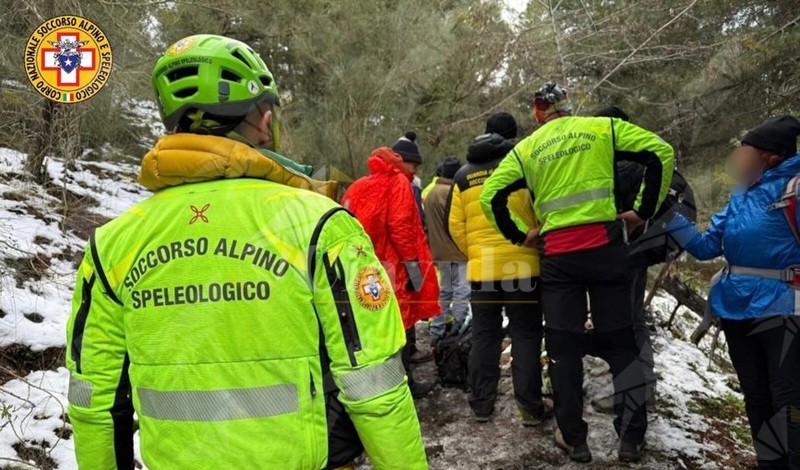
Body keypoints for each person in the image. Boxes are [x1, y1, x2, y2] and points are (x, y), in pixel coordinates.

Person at [65, 34, 427, 470]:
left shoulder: (113, 243)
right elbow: (375, 384)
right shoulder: (319, 225)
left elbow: (94, 399)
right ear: (263, 119)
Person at [481, 83, 674, 463]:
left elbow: (491, 196)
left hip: (558, 258)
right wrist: (642, 211)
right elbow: (660, 152)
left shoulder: (526, 148)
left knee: (564, 351)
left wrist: (522, 236)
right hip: (605, 247)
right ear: (567, 105)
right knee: (622, 345)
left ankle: (574, 439)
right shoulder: (602, 128)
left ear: (537, 112)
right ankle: (631, 439)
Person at [667, 116, 800, 468]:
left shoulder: (795, 188)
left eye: (746, 150)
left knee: (788, 399)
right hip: (736, 307)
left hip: (785, 306)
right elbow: (706, 246)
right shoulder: (742, 193)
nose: (738, 158)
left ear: (770, 155)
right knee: (756, 396)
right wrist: (668, 215)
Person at [449, 112, 551, 424]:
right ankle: (530, 409)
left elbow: (456, 226)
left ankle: (481, 404)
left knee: (484, 335)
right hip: (523, 266)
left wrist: (477, 253)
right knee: (525, 335)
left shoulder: (463, 176)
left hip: (483, 271)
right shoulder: (521, 167)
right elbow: (541, 210)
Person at [342, 145, 441, 398]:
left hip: (365, 266)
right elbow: (400, 227)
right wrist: (412, 270)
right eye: (414, 166)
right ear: (403, 163)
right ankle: (403, 384)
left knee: (376, 323)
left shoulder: (360, 185)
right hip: (395, 266)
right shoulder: (398, 182)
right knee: (403, 322)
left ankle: (378, 383)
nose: (415, 172)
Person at [591, 106, 658, 411]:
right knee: (634, 319)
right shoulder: (643, 159)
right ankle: (642, 385)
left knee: (625, 323)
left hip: (618, 253)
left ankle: (632, 394)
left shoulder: (613, 163)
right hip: (639, 251)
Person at [425, 156, 469, 344]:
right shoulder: (451, 192)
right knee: (462, 291)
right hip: (457, 250)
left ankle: (436, 331)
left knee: (445, 292)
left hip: (439, 251)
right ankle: (458, 330)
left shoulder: (431, 192)